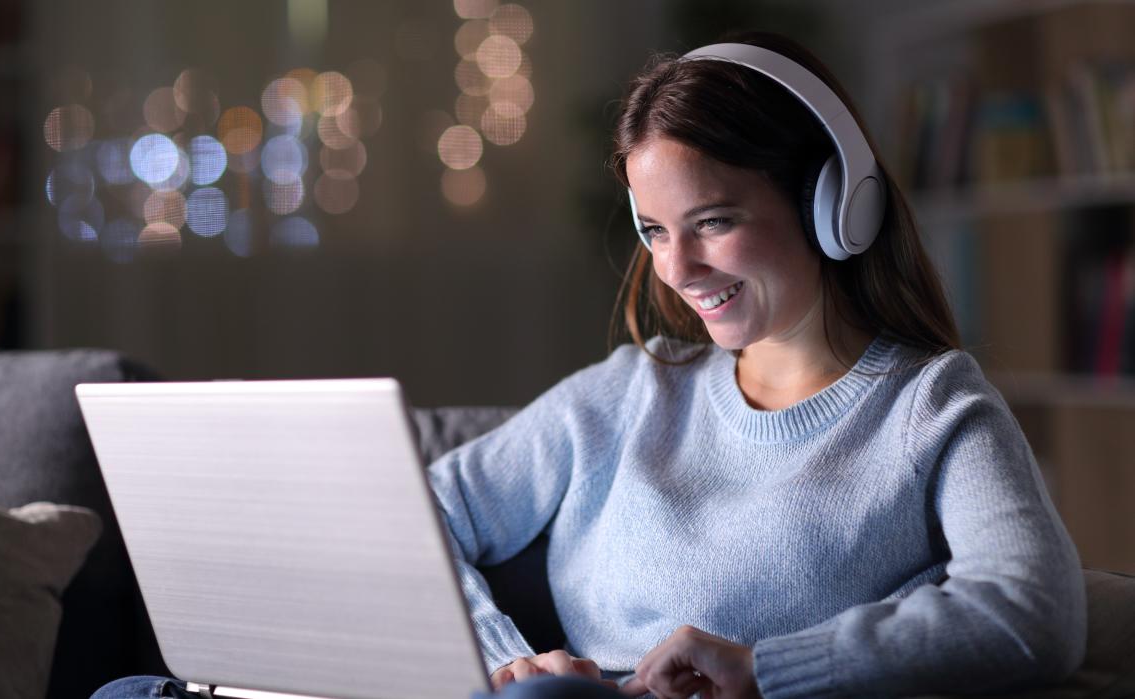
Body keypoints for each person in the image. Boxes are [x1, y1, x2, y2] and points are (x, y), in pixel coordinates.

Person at [93, 30, 1085, 699]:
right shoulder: (631, 391)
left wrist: (761, 671)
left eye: (716, 222)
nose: (679, 268)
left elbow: (1034, 613)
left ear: (837, 204)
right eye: (655, 230)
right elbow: (413, 514)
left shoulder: (929, 408)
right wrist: (510, 664)